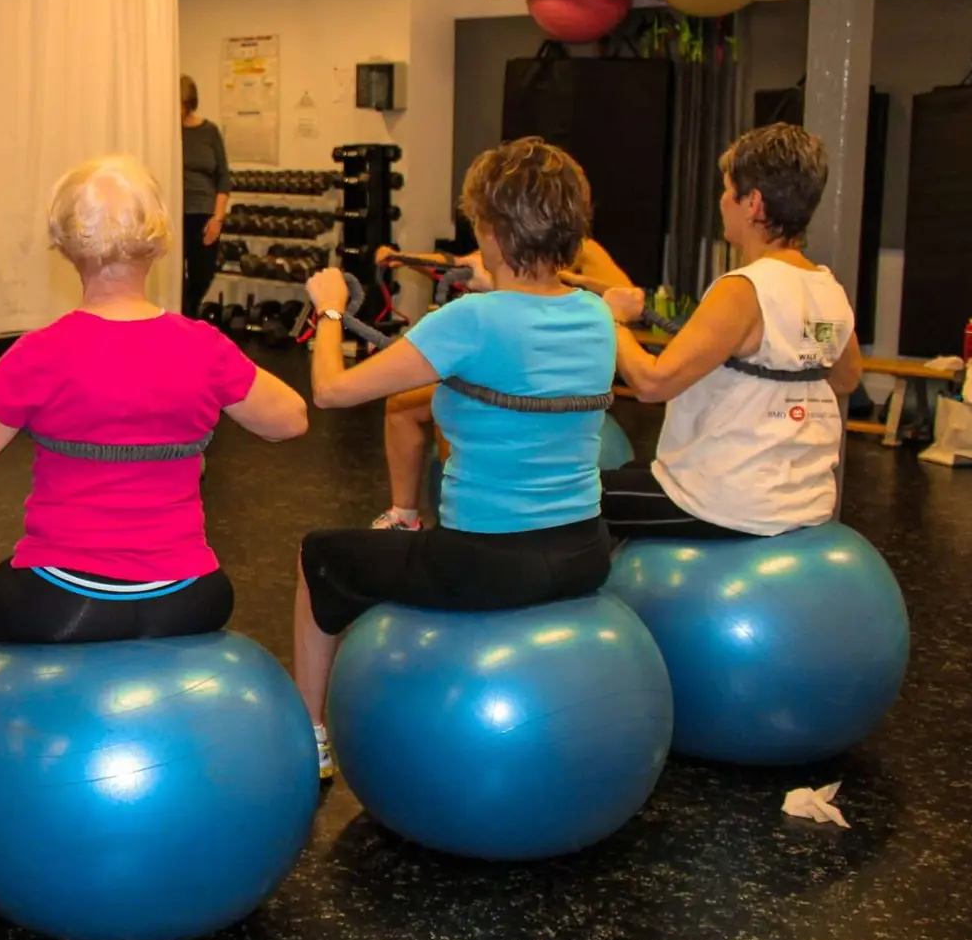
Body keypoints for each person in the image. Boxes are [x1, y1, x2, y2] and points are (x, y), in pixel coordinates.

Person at [0, 155, 308, 683]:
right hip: (191, 595)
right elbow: (291, 420)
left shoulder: (41, 353)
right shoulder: (204, 347)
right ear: (159, 239)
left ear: (66, 245)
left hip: (62, 597)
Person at [293, 139, 618, 778]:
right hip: (584, 551)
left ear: (493, 231)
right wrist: (496, 278)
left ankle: (312, 738)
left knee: (319, 556)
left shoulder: (470, 321)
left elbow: (331, 391)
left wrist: (329, 307)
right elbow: (529, 325)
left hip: (486, 564)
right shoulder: (598, 316)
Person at [599, 123, 862, 539]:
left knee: (573, 500)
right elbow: (846, 378)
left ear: (753, 203)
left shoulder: (743, 289)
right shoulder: (828, 288)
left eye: (727, 190)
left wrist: (609, 321)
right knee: (635, 472)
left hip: (727, 504)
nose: (721, 201)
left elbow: (651, 383)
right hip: (803, 500)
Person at [368, 237, 634, 531]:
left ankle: (460, 526)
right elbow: (460, 265)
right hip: (504, 366)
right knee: (402, 405)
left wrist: (564, 279)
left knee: (452, 413)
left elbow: (625, 296)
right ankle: (404, 516)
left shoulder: (585, 249)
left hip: (550, 377)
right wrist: (403, 257)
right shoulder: (514, 239)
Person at [179, 75, 232, 319]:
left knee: (202, 275)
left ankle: (187, 317)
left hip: (204, 214)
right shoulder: (166, 135)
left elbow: (223, 177)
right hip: (174, 216)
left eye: (180, 103)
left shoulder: (209, 132)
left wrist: (217, 218)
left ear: (189, 102)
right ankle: (183, 325)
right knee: (173, 280)